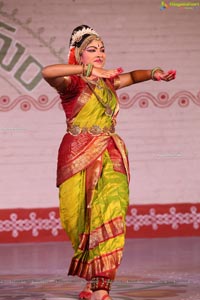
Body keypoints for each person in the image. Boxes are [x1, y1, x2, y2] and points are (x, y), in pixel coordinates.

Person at [42, 24, 176, 300]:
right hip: (76, 155)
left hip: (110, 150)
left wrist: (154, 74)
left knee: (112, 208)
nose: (100, 54)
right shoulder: (72, 84)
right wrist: (86, 71)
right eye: (92, 50)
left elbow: (133, 76)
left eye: (102, 49)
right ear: (78, 55)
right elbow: (47, 72)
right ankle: (91, 282)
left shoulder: (109, 81)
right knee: (78, 219)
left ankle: (103, 284)